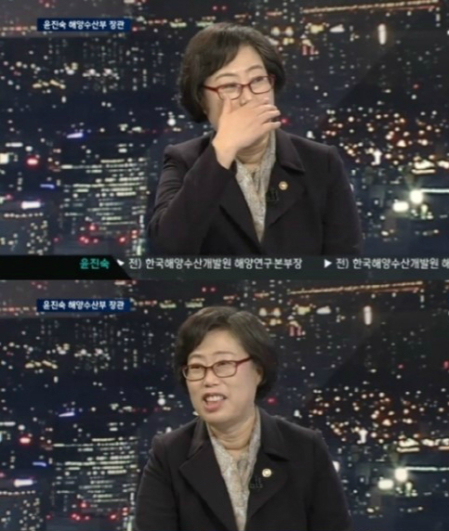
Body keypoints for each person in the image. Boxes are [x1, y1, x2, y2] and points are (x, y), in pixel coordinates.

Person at [147, 22, 362, 256]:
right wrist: (223, 150)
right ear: (201, 99)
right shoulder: (183, 161)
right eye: (229, 85)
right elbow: (168, 249)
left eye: (258, 80)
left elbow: (346, 263)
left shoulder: (321, 162)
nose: (248, 97)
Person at [134, 306, 352, 531]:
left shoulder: (306, 449)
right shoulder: (168, 455)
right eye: (197, 367)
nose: (209, 380)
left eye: (223, 364)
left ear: (258, 371)